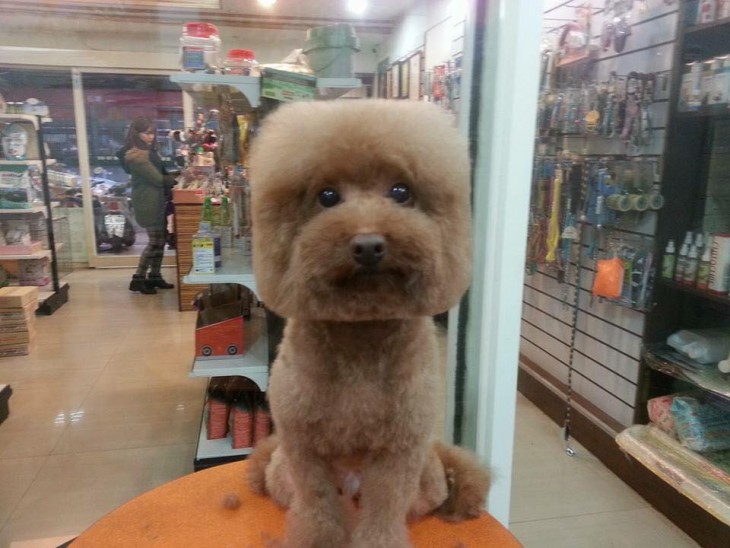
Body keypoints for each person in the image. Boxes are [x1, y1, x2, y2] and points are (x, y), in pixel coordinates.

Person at [117, 117, 177, 294]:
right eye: (147, 133)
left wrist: (178, 174)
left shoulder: (148, 151)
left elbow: (160, 174)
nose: (151, 137)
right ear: (137, 134)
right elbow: (157, 179)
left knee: (160, 241)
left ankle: (155, 276)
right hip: (148, 203)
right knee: (155, 241)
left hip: (156, 201)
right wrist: (178, 179)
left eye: (153, 133)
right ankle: (138, 278)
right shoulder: (137, 156)